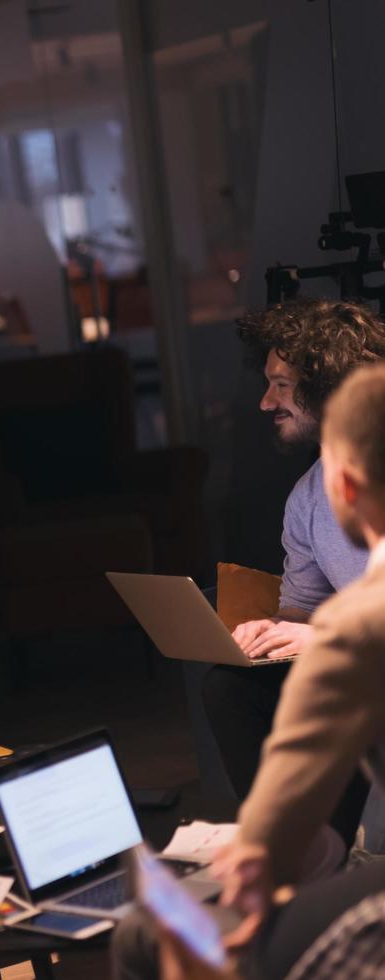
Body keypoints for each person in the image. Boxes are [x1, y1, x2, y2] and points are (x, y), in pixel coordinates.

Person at [113, 361, 385, 980]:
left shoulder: (360, 624)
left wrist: (255, 863)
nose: (267, 401)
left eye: (281, 385)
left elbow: (297, 770)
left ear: (342, 485)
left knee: (149, 941)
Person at [201, 298, 385, 845]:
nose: (265, 402)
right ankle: (294, 847)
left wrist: (324, 636)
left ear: (329, 385)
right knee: (234, 688)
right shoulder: (308, 497)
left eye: (281, 385)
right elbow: (302, 610)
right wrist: (275, 632)